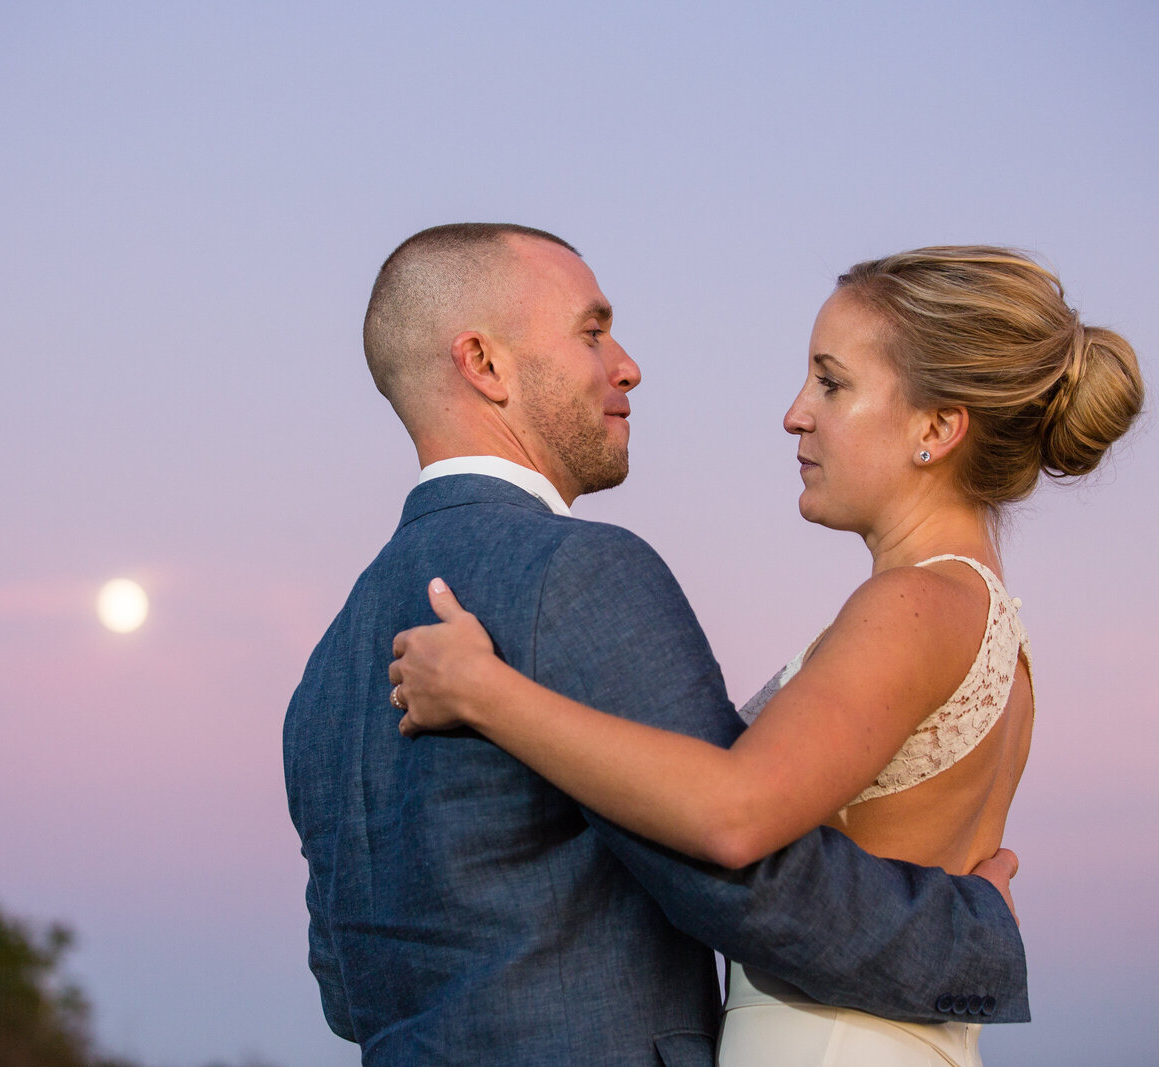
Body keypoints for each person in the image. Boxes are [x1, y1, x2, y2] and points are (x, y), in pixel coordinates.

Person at [284, 226, 1028, 1067]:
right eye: (592, 332)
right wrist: (972, 933)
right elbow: (739, 873)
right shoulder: (583, 574)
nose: (626, 364)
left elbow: (348, 989)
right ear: (484, 364)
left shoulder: (328, 667)